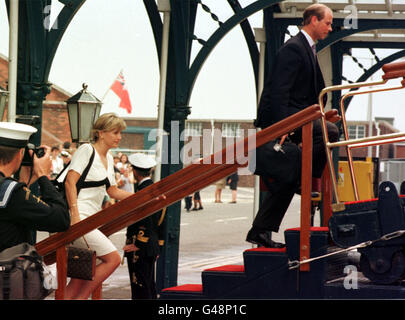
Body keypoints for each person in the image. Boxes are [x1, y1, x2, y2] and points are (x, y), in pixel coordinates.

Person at [246, 3, 339, 248]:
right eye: (327, 23)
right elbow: (279, 91)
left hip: (299, 119)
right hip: (287, 120)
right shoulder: (294, 49)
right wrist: (283, 126)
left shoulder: (306, 48)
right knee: (329, 132)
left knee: (288, 176)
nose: (331, 28)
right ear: (313, 21)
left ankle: (260, 231)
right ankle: (306, 179)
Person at [63, 113, 135, 300]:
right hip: (79, 218)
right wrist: (75, 215)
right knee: (113, 259)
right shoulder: (87, 150)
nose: (119, 137)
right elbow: (70, 182)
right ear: (101, 133)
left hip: (91, 219)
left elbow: (112, 191)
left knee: (79, 277)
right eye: (115, 132)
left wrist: (141, 197)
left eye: (120, 133)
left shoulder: (109, 157)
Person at [0, 122, 70, 252]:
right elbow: (61, 219)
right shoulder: (12, 192)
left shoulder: (10, 191)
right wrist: (43, 175)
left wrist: (23, 183)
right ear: (20, 153)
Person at [123, 153, 166, 299]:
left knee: (140, 287)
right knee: (148, 285)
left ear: (135, 172)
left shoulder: (143, 192)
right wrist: (159, 244)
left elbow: (145, 219)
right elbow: (162, 221)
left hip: (140, 247)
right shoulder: (156, 189)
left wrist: (138, 244)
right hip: (152, 246)